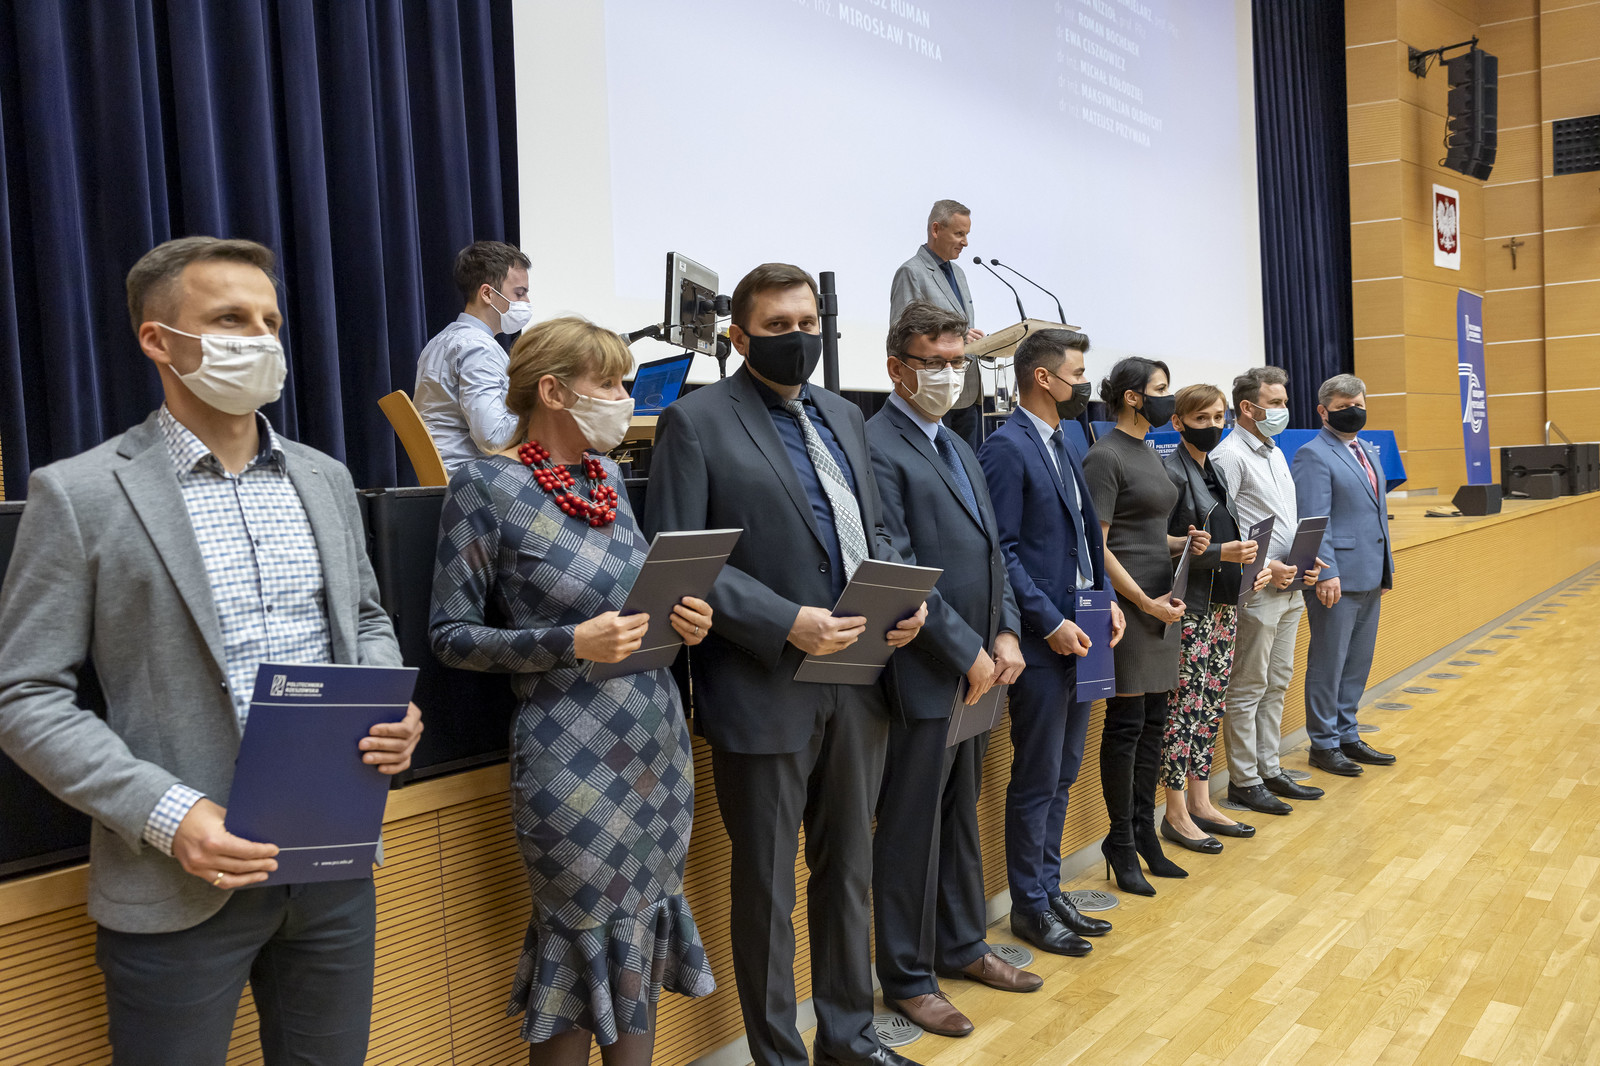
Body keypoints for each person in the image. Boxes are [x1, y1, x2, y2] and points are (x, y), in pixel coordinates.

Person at [0, 236, 425, 1065]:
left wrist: (386, 706)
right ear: (157, 339)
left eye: (270, 321)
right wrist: (169, 815)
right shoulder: (80, 493)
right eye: (231, 319)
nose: (260, 338)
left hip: (331, 866)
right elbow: (24, 695)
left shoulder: (326, 478)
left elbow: (367, 619)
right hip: (173, 879)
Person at [643, 264, 928, 1066]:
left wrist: (905, 598)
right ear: (739, 337)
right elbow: (680, 555)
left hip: (860, 680)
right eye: (777, 326)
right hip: (761, 685)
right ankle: (778, 1055)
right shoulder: (694, 421)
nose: (797, 337)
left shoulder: (844, 413)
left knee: (849, 872)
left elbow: (878, 528)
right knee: (767, 890)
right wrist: (786, 622)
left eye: (807, 323)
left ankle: (849, 1038)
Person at [429, 316, 716, 1064]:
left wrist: (685, 618)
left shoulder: (607, 480)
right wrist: (568, 642)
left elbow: (634, 601)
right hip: (567, 753)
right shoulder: (484, 485)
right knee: (579, 935)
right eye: (611, 383)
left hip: (656, 745)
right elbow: (449, 636)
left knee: (641, 930)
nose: (625, 398)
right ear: (553, 391)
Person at [865, 301, 1034, 1038]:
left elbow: (993, 553)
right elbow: (897, 564)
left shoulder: (960, 445)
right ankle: (907, 977)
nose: (948, 374)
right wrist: (966, 648)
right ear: (896, 368)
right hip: (923, 669)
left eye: (956, 361)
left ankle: (963, 945)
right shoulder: (876, 445)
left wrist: (1006, 631)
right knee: (910, 827)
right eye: (932, 363)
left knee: (961, 813)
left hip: (980, 667)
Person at [978, 328, 1123, 956]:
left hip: (1085, 626)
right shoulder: (1007, 448)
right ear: (1044, 377)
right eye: (1078, 373)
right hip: (1044, 640)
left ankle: (1050, 887)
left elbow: (1088, 539)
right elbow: (1002, 552)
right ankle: (1029, 906)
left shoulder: (1068, 438)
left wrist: (1106, 600)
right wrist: (1047, 621)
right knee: (1037, 777)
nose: (1085, 384)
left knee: (1063, 772)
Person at [1083, 356, 1208, 896]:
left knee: (1155, 722)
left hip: (1162, 602)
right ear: (1132, 397)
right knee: (1127, 725)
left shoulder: (1149, 452)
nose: (1167, 397)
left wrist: (1184, 543)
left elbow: (1149, 532)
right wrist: (1140, 601)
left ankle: (1144, 833)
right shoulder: (1105, 455)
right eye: (1160, 388)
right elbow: (1098, 545)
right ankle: (1119, 840)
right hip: (1132, 609)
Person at [1158, 385, 1274, 853]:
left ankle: (1201, 801)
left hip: (1223, 603)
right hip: (1190, 607)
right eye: (1201, 418)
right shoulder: (1170, 473)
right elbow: (1158, 548)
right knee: (1182, 709)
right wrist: (1222, 553)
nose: (1212, 426)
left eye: (1218, 417)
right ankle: (1175, 812)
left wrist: (1251, 566)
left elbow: (1227, 538)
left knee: (1209, 705)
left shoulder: (1215, 471)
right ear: (1178, 422)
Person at [1209, 367, 1326, 816]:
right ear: (1248, 407)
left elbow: (1283, 520)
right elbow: (1226, 529)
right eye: (1275, 403)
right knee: (1249, 685)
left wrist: (1305, 557)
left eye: (1283, 402)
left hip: (1291, 582)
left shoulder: (1276, 452)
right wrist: (1267, 564)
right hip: (1257, 585)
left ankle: (1269, 768)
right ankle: (1244, 781)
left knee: (1277, 681)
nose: (1282, 410)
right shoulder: (1228, 456)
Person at [1294, 374, 1398, 778]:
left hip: (1371, 573)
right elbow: (1313, 518)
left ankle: (1347, 734)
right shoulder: (1313, 454)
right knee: (1328, 662)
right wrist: (1326, 572)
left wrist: (1386, 568)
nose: (1353, 411)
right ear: (1323, 411)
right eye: (1343, 407)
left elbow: (1376, 513)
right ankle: (1323, 743)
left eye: (1359, 404)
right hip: (1335, 576)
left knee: (1357, 662)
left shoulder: (1366, 449)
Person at [415, 240, 533, 473]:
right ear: (487, 293)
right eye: (519, 294)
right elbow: (493, 438)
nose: (527, 302)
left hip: (454, 473)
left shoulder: (439, 341)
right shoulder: (479, 348)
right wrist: (542, 417)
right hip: (473, 479)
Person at [890, 200, 986, 451]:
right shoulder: (911, 272)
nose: (965, 242)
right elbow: (902, 335)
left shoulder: (959, 273)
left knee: (967, 464)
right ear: (936, 229)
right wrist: (959, 339)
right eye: (959, 233)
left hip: (966, 387)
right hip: (933, 389)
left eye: (967, 234)